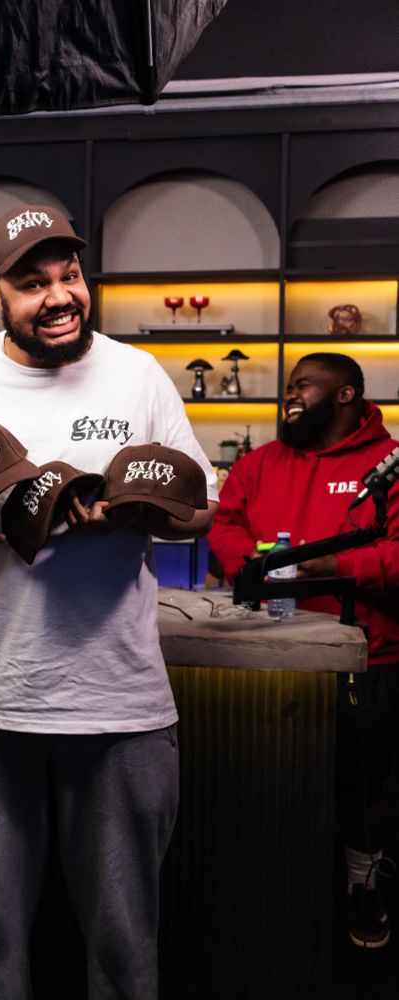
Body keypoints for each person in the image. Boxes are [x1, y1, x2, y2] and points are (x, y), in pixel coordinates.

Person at [0, 204, 219, 1000]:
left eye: (68, 276)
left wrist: (137, 511)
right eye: (32, 284)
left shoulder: (136, 374)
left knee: (122, 951)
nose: (59, 296)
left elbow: (199, 504)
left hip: (119, 707)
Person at [207, 352, 399, 950]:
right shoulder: (262, 462)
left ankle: (363, 883)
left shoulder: (387, 466)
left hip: (367, 657)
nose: (290, 395)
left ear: (345, 396)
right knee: (267, 783)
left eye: (304, 386)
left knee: (362, 784)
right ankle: (277, 897)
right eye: (287, 386)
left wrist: (336, 563)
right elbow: (224, 523)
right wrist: (258, 567)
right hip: (266, 651)